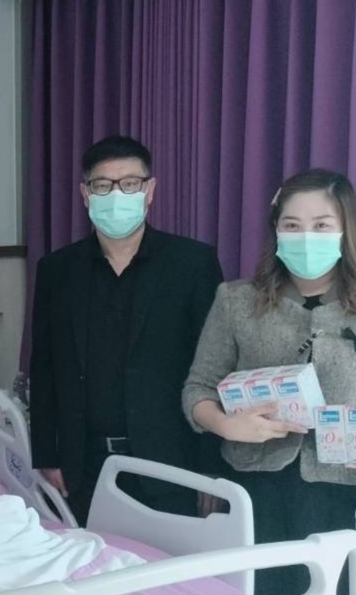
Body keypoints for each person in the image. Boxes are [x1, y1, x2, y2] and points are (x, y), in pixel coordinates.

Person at [182, 169, 356, 595]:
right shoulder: (236, 300)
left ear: (346, 230)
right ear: (275, 230)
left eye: (322, 225)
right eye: (292, 225)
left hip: (345, 492)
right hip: (255, 490)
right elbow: (198, 388)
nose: (306, 238)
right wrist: (224, 424)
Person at [28, 135, 224, 525]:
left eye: (130, 184)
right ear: (86, 194)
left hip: (173, 462)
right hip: (85, 465)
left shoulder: (192, 264)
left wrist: (212, 469)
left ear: (149, 191)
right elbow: (44, 365)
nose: (117, 195)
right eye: (103, 185)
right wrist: (47, 455)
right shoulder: (58, 270)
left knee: (171, 564)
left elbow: (215, 368)